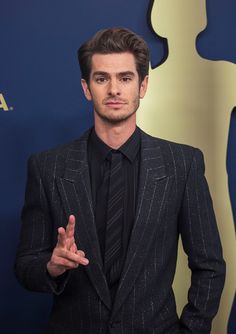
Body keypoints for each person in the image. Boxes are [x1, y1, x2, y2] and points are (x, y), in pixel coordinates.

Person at [15, 27, 225, 334]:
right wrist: (51, 266)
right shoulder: (47, 167)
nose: (114, 89)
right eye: (102, 78)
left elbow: (210, 266)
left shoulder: (182, 164)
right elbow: (24, 266)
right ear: (87, 88)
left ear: (143, 86)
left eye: (125, 78)